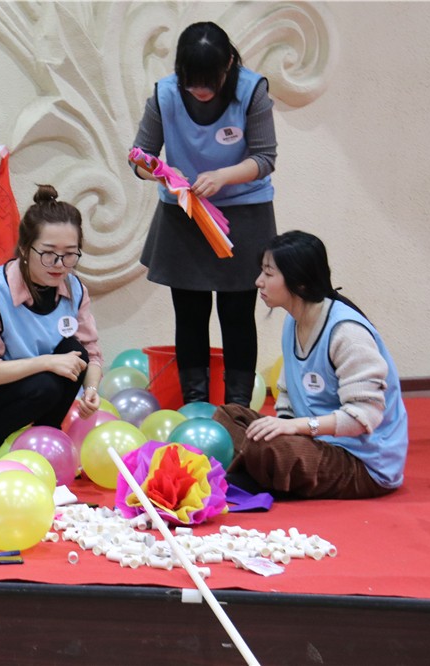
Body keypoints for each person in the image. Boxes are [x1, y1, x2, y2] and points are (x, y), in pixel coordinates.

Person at [132, 21, 277, 406]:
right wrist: (162, 174)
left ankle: (237, 409)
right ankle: (195, 404)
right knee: (190, 315)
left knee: (237, 314)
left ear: (228, 64)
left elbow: (265, 158)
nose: (200, 91)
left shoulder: (252, 91)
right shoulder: (164, 94)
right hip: (185, 216)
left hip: (243, 216)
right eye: (191, 82)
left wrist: (223, 176)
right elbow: (139, 157)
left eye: (208, 82)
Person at [213, 231, 409, 499]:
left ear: (300, 283)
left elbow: (365, 417)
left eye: (268, 274)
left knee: (270, 449)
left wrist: (296, 428)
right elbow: (287, 390)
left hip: (363, 463)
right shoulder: (293, 321)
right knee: (227, 416)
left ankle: (252, 472)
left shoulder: (347, 333)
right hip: (315, 443)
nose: (258, 281)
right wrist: (284, 425)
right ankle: (262, 472)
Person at [0, 184, 104, 448]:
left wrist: (91, 390)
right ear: (26, 249)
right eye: (48, 253)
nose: (59, 264)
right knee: (46, 386)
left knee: (77, 354)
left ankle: (44, 439)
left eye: (69, 254)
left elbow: (91, 353)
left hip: (31, 382)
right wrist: (47, 362)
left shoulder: (75, 290)